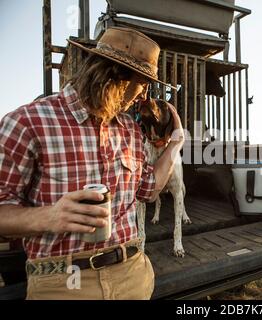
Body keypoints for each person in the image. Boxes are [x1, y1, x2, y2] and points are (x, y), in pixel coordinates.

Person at [0, 27, 185, 299]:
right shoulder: (27, 123)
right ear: (113, 76)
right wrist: (49, 216)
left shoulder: (131, 130)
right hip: (62, 283)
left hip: (132, 276)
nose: (143, 94)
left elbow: (149, 190)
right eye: (141, 83)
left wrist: (176, 143)